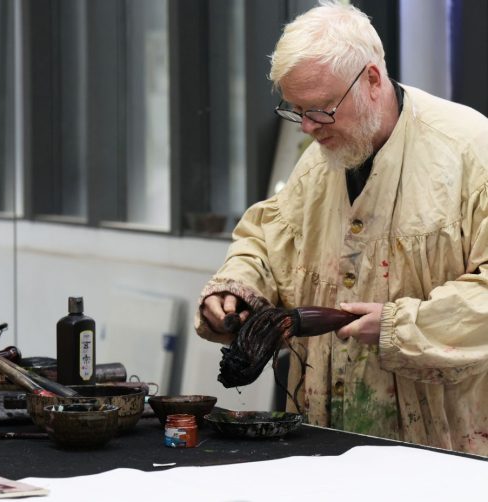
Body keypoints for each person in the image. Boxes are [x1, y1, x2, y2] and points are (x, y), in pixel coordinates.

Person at [195, 0, 488, 456]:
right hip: (326, 436)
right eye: (296, 111)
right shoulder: (321, 160)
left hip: (441, 445)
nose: (308, 128)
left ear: (371, 79)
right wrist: (239, 288)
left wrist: (399, 326)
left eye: (320, 109)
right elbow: (270, 240)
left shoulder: (470, 151)